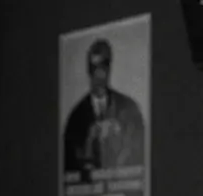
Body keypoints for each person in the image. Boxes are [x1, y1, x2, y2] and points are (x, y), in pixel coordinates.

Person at [62, 39, 146, 174]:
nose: (99, 74)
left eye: (104, 66)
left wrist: (119, 137)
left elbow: (139, 153)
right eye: (94, 68)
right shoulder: (75, 118)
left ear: (110, 67)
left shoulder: (129, 109)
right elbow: (69, 163)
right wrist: (89, 141)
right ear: (88, 71)